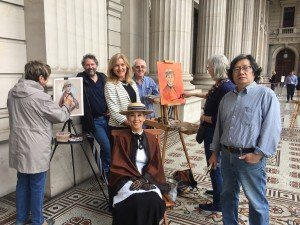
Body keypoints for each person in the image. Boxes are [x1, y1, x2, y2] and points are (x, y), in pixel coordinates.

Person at [209, 54, 281, 225]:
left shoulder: (266, 95)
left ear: (253, 71)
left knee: (256, 202)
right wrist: (214, 152)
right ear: (232, 73)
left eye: (245, 68)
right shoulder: (227, 98)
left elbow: (272, 128)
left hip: (250, 159)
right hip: (226, 156)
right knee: (227, 196)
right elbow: (219, 127)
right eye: (236, 68)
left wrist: (258, 154)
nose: (241, 72)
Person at [7, 61, 72, 225]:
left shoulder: (12, 92)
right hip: (35, 148)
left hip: (18, 145)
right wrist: (67, 105)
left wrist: (56, 106)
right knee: (36, 185)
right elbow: (60, 116)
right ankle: (38, 221)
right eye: (46, 78)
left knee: (22, 183)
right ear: (40, 77)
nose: (47, 82)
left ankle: (20, 221)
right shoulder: (40, 96)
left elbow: (36, 113)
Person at [184, 54, 235, 212]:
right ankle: (217, 191)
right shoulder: (221, 84)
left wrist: (204, 117)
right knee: (215, 165)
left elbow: (225, 118)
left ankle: (218, 203)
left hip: (214, 132)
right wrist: (192, 94)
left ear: (217, 68)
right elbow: (209, 95)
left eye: (209, 67)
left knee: (214, 166)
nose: (207, 69)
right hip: (211, 131)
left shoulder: (226, 87)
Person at [109, 102, 170, 225]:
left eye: (139, 115)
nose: (136, 119)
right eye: (132, 115)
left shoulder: (152, 139)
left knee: (152, 200)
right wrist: (134, 180)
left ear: (144, 118)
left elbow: (156, 164)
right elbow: (118, 165)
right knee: (136, 201)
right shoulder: (122, 138)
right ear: (127, 118)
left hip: (149, 179)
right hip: (126, 180)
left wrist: (144, 180)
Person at [76, 54, 111, 179]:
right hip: (94, 121)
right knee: (106, 146)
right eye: (87, 64)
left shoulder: (103, 77)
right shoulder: (80, 79)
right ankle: (107, 174)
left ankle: (106, 171)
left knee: (108, 146)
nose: (90, 67)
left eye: (92, 64)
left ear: (96, 65)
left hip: (108, 119)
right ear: (84, 66)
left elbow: (110, 95)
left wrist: (110, 109)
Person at [104, 53, 140, 131]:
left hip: (134, 125)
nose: (120, 68)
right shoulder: (110, 85)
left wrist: (139, 121)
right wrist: (131, 125)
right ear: (112, 68)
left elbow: (138, 104)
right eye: (116, 65)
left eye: (122, 64)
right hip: (119, 129)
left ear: (126, 66)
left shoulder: (132, 83)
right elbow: (114, 112)